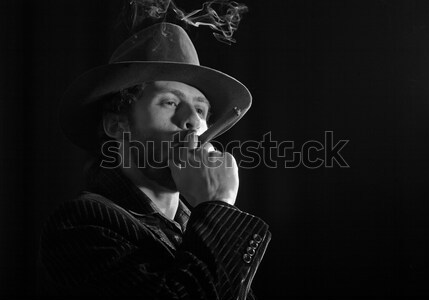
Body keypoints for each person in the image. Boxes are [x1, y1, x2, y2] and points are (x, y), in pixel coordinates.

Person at [39, 22, 271, 299]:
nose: (193, 121)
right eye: (170, 102)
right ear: (117, 125)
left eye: (200, 109)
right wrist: (218, 204)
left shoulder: (195, 225)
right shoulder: (80, 224)